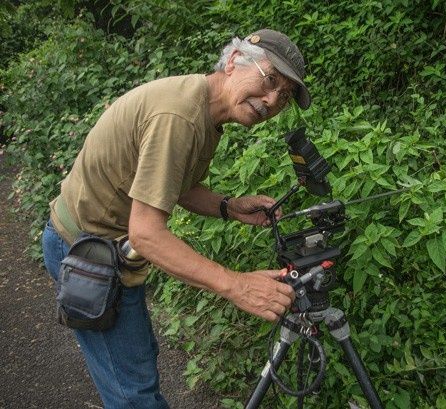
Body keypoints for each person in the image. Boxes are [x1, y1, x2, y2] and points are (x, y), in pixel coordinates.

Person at [41, 28, 310, 408]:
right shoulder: (179, 116)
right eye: (270, 81)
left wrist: (228, 206)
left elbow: (171, 184)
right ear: (234, 61)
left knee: (138, 364)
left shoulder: (204, 110)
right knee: (133, 394)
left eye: (283, 97)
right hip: (85, 251)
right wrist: (238, 285)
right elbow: (147, 233)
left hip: (113, 248)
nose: (270, 100)